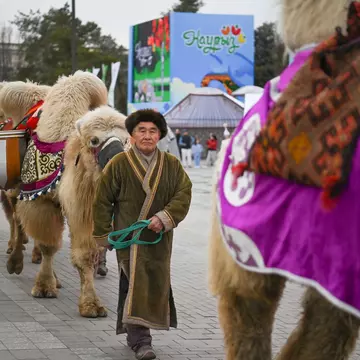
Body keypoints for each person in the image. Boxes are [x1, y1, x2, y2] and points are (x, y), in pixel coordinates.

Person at [92, 109, 192, 360]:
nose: (147, 136)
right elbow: (102, 201)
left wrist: (165, 217)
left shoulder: (171, 165)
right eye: (141, 131)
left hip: (159, 240)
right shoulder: (119, 164)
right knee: (135, 281)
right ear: (133, 135)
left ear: (160, 135)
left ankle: (132, 331)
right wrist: (102, 235)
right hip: (130, 239)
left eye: (152, 131)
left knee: (147, 283)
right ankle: (141, 341)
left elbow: (184, 192)